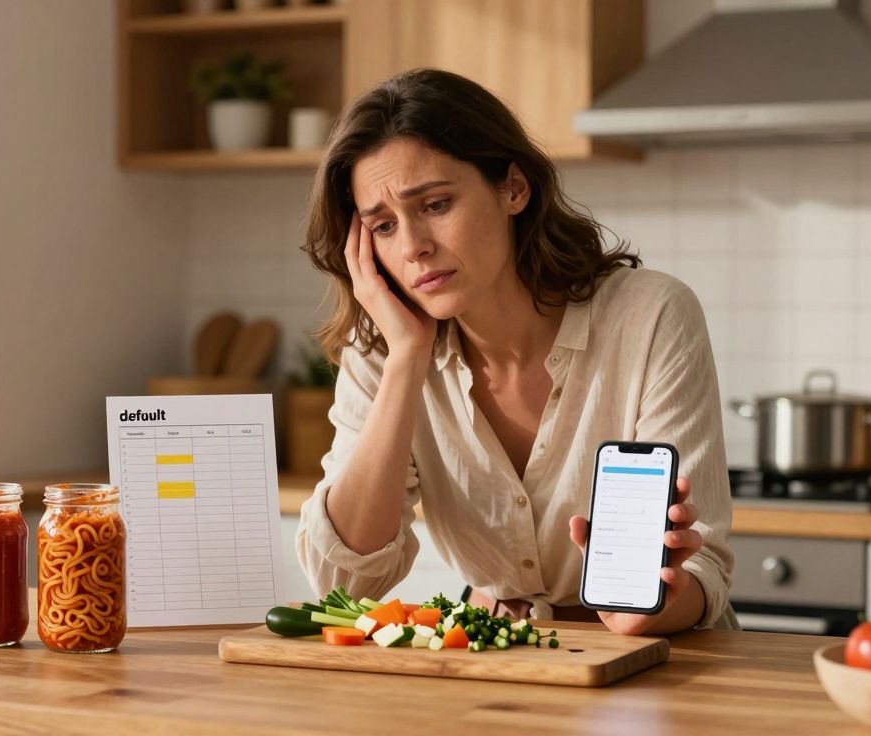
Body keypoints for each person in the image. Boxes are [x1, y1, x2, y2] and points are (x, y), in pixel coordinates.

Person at [295, 68, 735, 634]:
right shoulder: (383, 348)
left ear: (513, 188)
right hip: (500, 655)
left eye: (434, 204)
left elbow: (705, 568)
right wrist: (406, 359)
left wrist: (642, 609)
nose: (413, 247)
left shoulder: (651, 314)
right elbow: (343, 582)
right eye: (382, 226)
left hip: (665, 665)